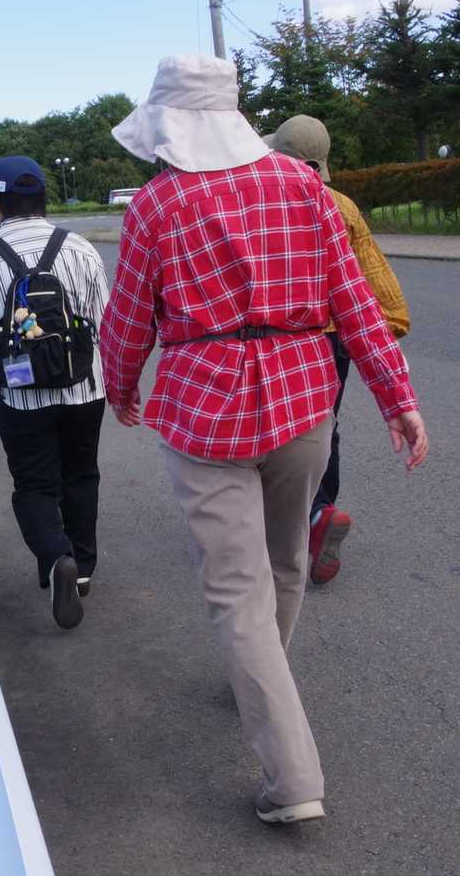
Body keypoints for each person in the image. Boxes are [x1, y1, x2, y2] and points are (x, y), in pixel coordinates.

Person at [99, 55, 429, 825]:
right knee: (285, 562)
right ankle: (262, 678)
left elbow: (128, 320)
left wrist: (120, 388)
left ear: (170, 125)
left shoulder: (156, 204)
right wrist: (397, 398)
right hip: (304, 398)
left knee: (235, 590)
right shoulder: (302, 185)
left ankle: (293, 781)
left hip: (204, 410)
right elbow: (355, 303)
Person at [0, 156, 111, 629]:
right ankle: (81, 569)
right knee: (81, 475)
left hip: (20, 394)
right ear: (44, 197)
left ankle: (55, 556)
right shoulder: (80, 249)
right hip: (84, 388)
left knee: (34, 484)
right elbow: (104, 322)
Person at [265, 114, 412, 585]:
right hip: (335, 339)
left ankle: (280, 524)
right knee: (323, 427)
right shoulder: (343, 206)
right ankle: (319, 511)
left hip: (280, 335)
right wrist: (370, 333)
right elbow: (384, 292)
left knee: (271, 429)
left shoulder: (263, 200)